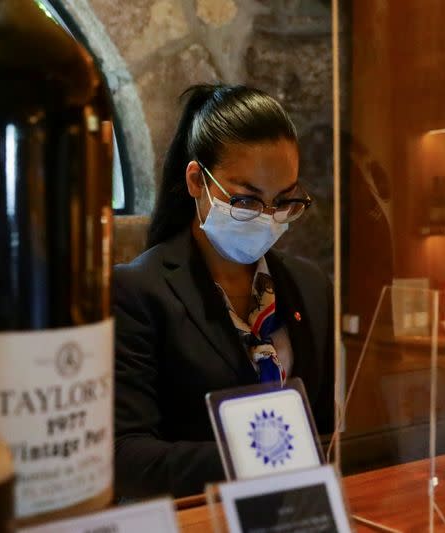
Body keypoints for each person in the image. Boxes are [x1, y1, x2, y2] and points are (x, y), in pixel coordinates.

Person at [113, 84, 334, 499]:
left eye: (284, 201)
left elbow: (328, 431)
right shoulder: (138, 292)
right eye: (247, 201)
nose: (268, 218)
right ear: (197, 181)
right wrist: (266, 458)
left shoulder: (311, 287)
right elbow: (126, 456)